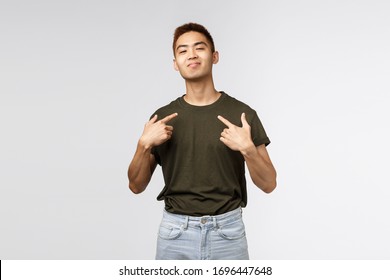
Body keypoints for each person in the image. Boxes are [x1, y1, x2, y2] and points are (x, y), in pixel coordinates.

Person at [127, 22, 277, 260]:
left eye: (200, 48)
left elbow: (269, 184)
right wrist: (142, 145)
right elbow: (136, 186)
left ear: (214, 56)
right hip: (175, 233)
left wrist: (248, 150)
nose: (192, 55)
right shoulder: (162, 118)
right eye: (183, 50)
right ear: (175, 64)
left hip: (227, 232)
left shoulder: (242, 114)